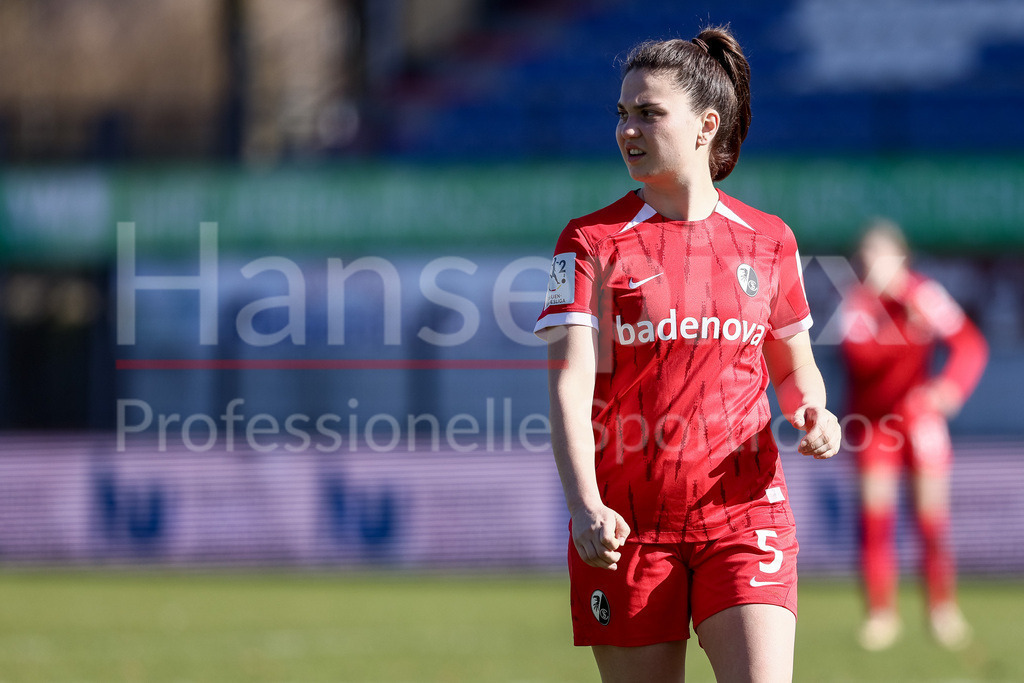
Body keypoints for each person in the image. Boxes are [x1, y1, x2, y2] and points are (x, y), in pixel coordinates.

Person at [534, 27, 840, 682]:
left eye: (649, 112)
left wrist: (814, 410)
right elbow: (569, 385)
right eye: (623, 112)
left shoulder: (770, 240)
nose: (628, 129)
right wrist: (585, 504)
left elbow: (793, 366)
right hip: (626, 526)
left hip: (746, 513)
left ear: (706, 125)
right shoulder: (588, 242)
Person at [840, 219, 988, 651]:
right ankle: (880, 615)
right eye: (866, 257)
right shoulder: (857, 303)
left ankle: (942, 610)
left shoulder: (924, 294)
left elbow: (970, 345)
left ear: (901, 259)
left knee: (932, 520)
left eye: (881, 256)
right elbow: (859, 358)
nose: (873, 265)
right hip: (873, 424)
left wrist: (950, 387)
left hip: (919, 419)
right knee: (876, 519)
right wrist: (903, 327)